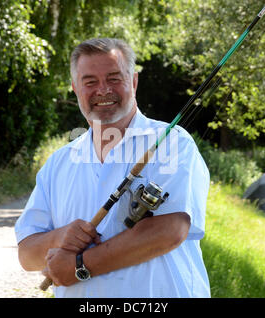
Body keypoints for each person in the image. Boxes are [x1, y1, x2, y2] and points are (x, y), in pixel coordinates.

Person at [15, 38, 210, 297]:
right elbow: (27, 254)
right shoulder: (58, 163)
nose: (103, 90)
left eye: (114, 78)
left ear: (134, 81)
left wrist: (79, 267)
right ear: (75, 88)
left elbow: (170, 230)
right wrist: (61, 237)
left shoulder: (173, 143)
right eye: (90, 82)